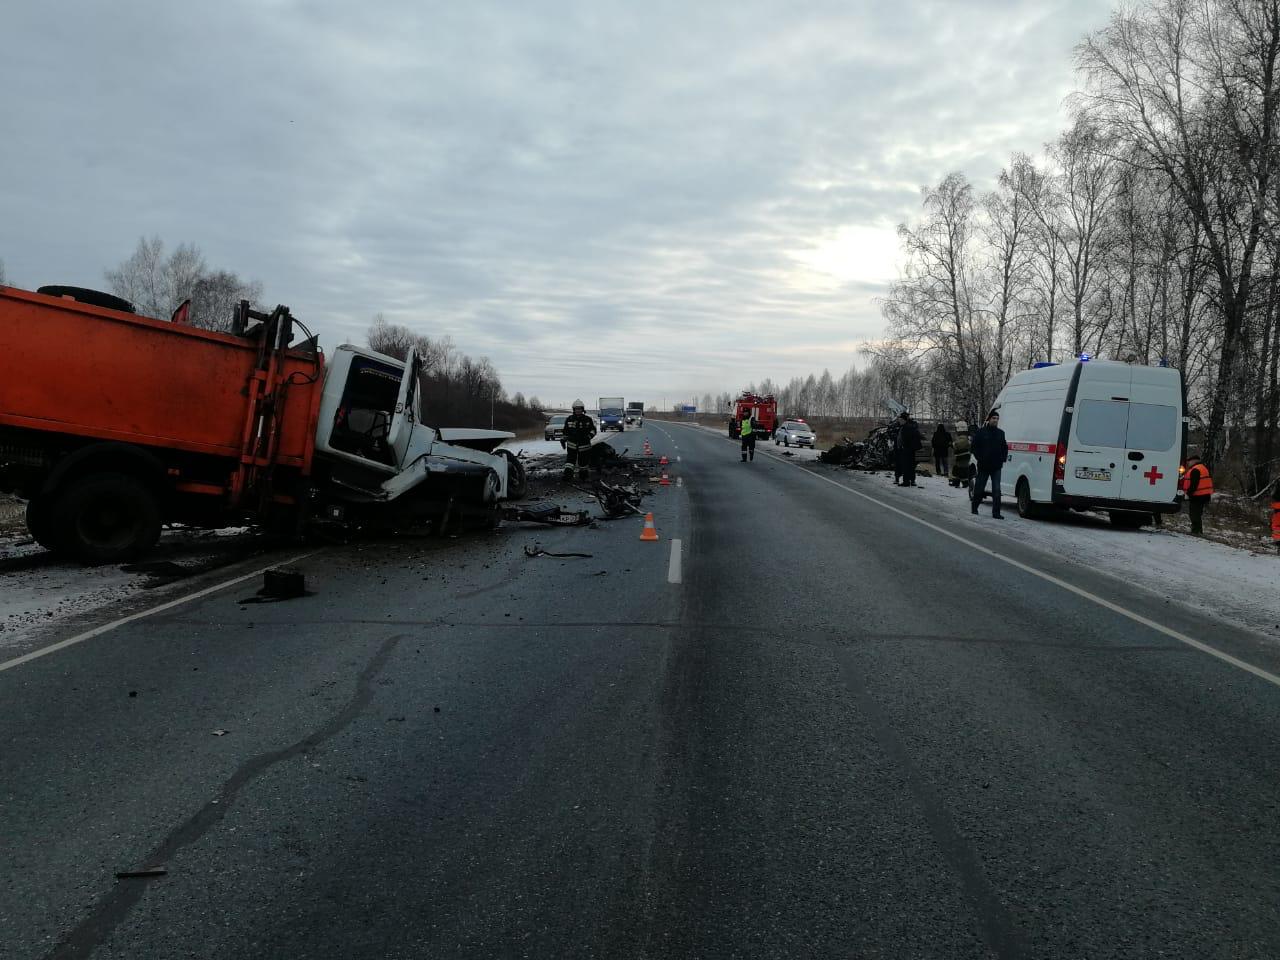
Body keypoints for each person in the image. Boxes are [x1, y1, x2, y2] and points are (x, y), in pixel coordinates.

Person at [970, 410, 1008, 518]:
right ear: (989, 419)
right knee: (979, 488)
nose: (995, 420)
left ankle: (996, 513)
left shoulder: (1001, 433)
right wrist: (980, 458)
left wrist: (1002, 459)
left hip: (996, 466)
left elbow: (1004, 447)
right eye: (993, 418)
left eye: (997, 419)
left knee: (996, 490)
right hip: (983, 465)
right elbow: (974, 447)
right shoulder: (981, 432)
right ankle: (974, 507)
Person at [563, 399, 596, 481]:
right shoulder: (569, 419)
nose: (578, 410)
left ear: (582, 409)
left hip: (584, 446)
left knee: (583, 463)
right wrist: (564, 438)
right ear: (574, 410)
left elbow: (593, 430)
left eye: (579, 409)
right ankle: (568, 476)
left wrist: (589, 436)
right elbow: (565, 431)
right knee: (570, 462)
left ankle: (583, 477)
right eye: (576, 409)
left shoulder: (588, 419)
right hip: (572, 445)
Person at [1182, 453, 1214, 536]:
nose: (1188, 463)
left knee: (1194, 513)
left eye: (1189, 461)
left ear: (1193, 461)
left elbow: (1194, 484)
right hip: (1204, 495)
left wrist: (1188, 493)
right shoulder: (1203, 468)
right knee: (1198, 513)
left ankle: (1195, 531)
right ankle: (1199, 530)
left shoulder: (1195, 470)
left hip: (1197, 496)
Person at [894, 412, 921, 486]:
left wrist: (903, 447)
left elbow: (906, 439)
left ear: (904, 420)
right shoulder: (908, 426)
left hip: (906, 450)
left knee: (906, 466)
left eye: (900, 419)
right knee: (910, 466)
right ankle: (911, 480)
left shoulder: (906, 427)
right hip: (909, 450)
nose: (899, 421)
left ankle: (906, 481)